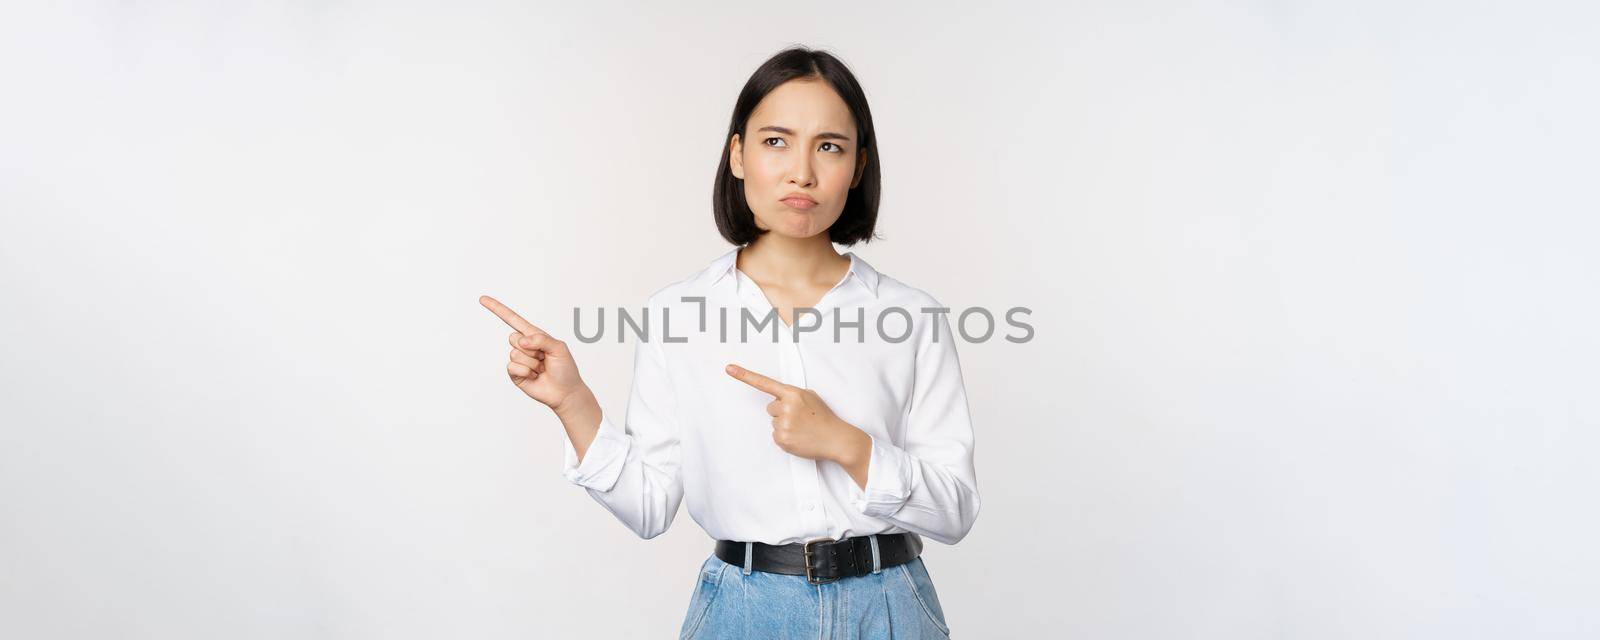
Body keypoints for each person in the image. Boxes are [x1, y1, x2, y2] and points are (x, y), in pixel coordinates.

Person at [480, 45, 980, 639]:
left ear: (859, 166)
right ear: (738, 154)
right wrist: (574, 404)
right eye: (776, 141)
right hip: (743, 613)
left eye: (829, 147)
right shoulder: (677, 313)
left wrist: (847, 444)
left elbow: (954, 512)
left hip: (891, 608)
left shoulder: (910, 316)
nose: (803, 171)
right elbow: (648, 506)